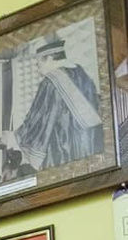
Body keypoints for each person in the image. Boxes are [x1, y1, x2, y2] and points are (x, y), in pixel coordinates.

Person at [10, 39, 103, 170]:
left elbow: (40, 118)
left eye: (39, 63)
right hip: (90, 142)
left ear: (49, 58)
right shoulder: (80, 73)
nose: (38, 69)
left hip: (63, 147)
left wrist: (16, 136)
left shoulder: (50, 81)